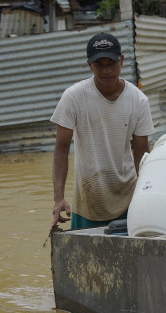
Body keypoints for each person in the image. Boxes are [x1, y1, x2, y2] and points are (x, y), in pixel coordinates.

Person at [51, 33, 155, 229]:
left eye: (111, 63)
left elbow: (142, 153)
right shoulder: (73, 97)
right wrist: (59, 199)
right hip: (88, 199)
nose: (106, 71)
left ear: (121, 60)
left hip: (128, 198)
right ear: (90, 65)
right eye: (100, 65)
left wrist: (147, 197)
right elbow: (61, 150)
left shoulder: (138, 100)